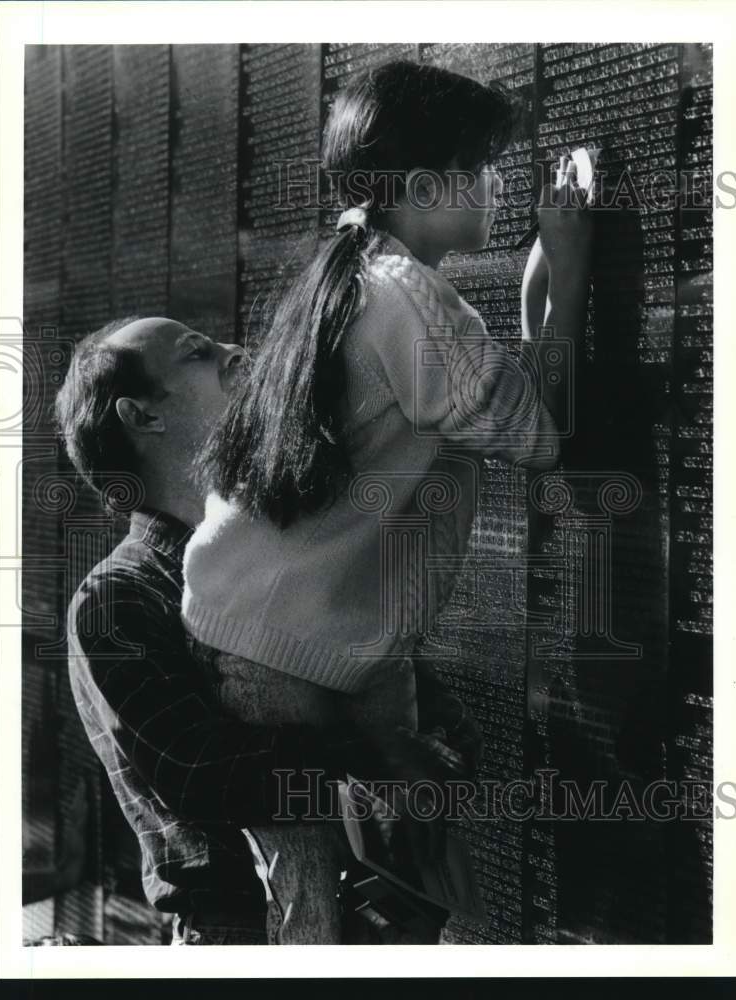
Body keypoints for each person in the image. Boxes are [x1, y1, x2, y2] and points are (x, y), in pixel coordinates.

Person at [182, 60, 592, 944]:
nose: (496, 183)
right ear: (420, 185)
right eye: (482, 165)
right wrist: (570, 267)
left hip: (266, 634)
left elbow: (498, 401)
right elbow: (541, 437)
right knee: (326, 915)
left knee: (364, 882)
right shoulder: (412, 299)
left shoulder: (353, 271)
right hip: (298, 653)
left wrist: (532, 303)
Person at [55, 315, 480, 945]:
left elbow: (422, 707)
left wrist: (431, 760)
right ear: (142, 417)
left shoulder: (301, 553)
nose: (235, 351)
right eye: (198, 353)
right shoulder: (117, 599)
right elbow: (202, 774)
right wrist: (372, 753)